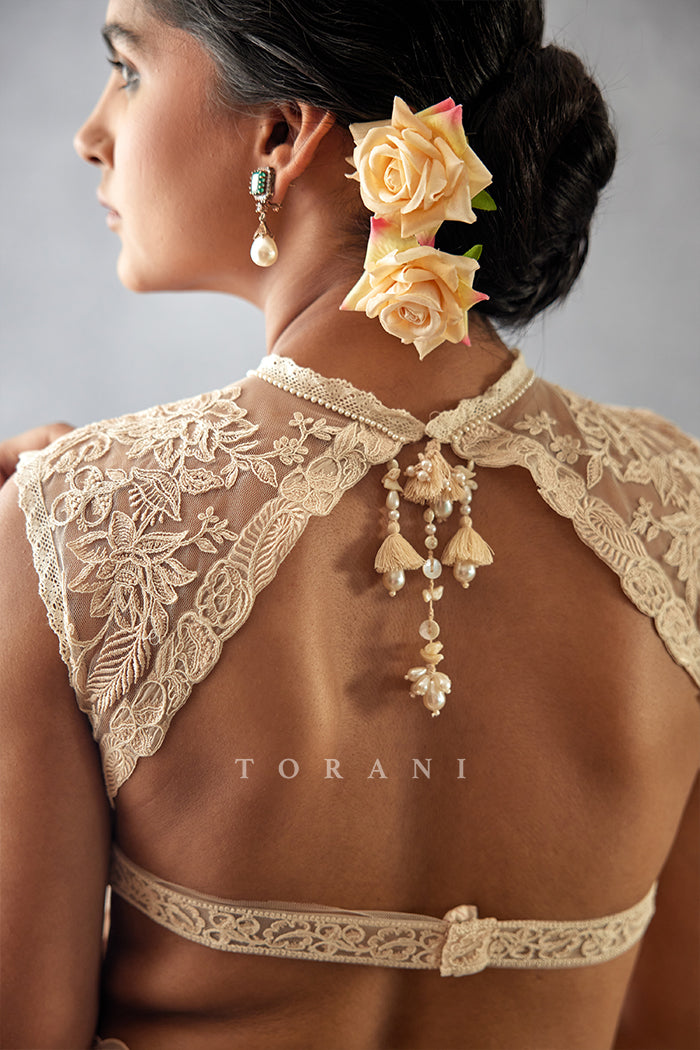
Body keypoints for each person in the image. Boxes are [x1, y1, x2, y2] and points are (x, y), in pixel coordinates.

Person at [0, 1, 698, 1048]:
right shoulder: (681, 510)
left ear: (281, 135)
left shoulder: (68, 527)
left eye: (128, 69)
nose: (91, 132)